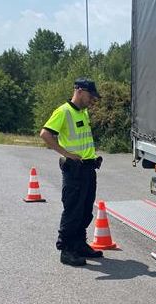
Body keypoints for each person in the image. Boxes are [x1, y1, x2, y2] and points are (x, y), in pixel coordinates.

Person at [39, 78, 104, 266]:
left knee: (85, 210)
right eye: (90, 96)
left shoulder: (82, 112)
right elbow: (45, 134)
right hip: (74, 171)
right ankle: (66, 250)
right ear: (80, 91)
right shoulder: (63, 111)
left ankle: (79, 244)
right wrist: (66, 154)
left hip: (88, 168)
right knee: (72, 211)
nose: (92, 100)